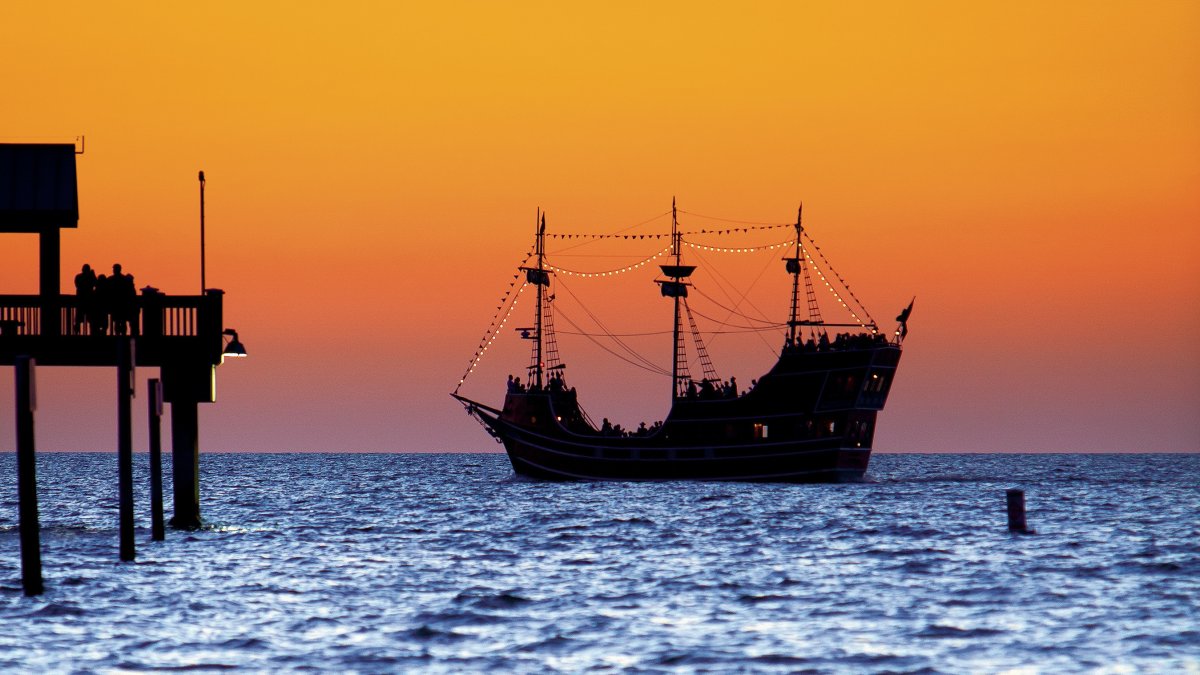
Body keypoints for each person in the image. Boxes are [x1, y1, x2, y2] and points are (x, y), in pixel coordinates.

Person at [73, 264, 96, 334]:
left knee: (78, 319)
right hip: (89, 301)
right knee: (91, 319)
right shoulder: (90, 277)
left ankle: (77, 332)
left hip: (81, 300)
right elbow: (96, 284)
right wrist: (93, 275)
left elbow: (77, 285)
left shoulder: (78, 277)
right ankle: (92, 333)